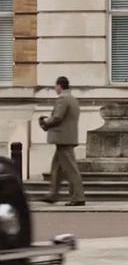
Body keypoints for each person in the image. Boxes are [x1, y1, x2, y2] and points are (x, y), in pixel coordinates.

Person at [39, 77, 85, 206]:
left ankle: (78, 197)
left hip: (63, 138)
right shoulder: (73, 99)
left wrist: (45, 122)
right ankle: (53, 195)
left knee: (71, 169)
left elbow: (58, 117)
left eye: (56, 86)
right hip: (67, 137)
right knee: (56, 169)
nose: (55, 88)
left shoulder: (63, 99)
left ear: (60, 86)